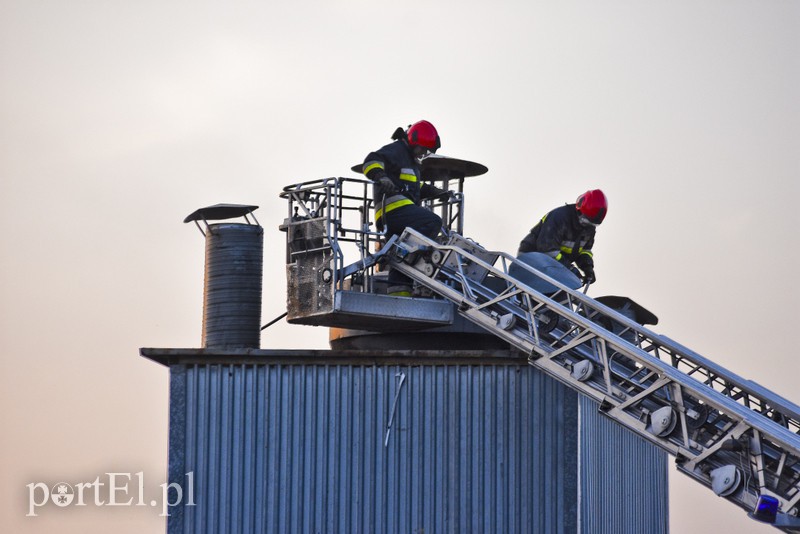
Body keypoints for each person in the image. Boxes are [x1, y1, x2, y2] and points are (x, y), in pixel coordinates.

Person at [362, 120, 450, 297]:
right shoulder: (396, 151)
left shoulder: (410, 161)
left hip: (401, 214)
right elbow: (370, 161)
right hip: (393, 212)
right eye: (423, 149)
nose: (424, 154)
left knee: (402, 264)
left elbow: (414, 188)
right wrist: (381, 176)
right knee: (433, 222)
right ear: (414, 141)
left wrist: (435, 192)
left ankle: (399, 298)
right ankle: (409, 254)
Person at [517, 189, 608, 285]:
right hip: (532, 258)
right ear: (580, 211)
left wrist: (587, 267)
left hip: (555, 266)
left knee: (562, 295)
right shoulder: (559, 218)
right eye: (586, 221)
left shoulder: (589, 228)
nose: (588, 225)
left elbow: (585, 250)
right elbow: (547, 249)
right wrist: (569, 268)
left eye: (592, 224)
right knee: (532, 291)